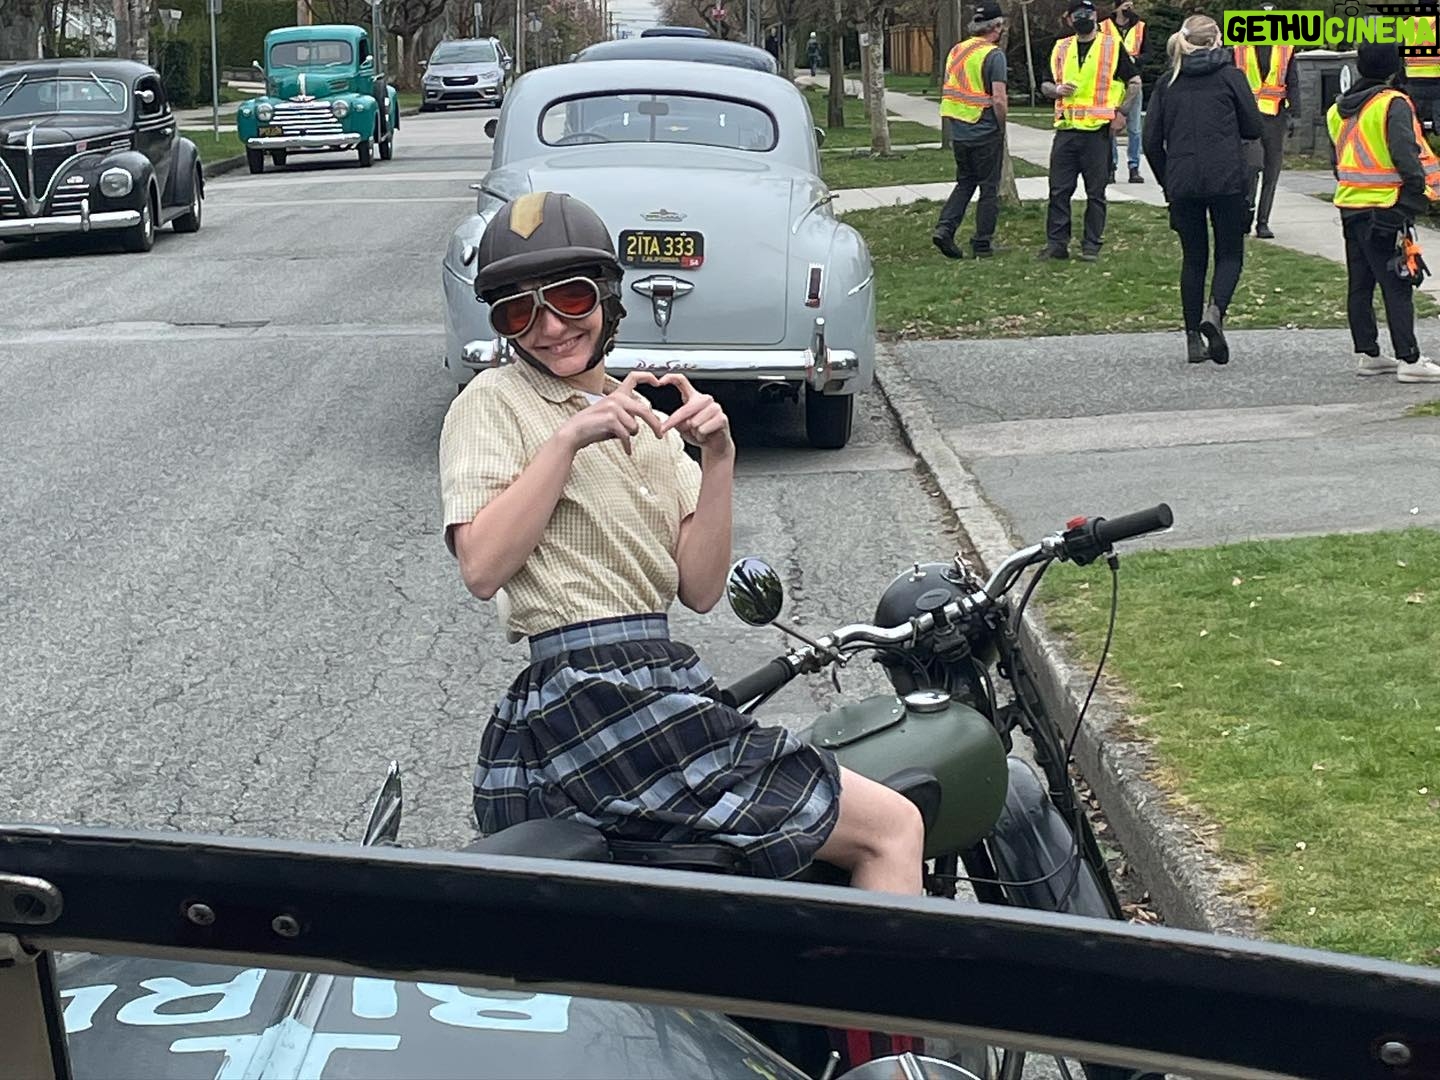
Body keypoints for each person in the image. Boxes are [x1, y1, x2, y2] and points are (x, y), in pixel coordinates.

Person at [438, 191, 926, 893]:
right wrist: (568, 440)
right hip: (586, 691)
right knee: (893, 827)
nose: (549, 327)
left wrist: (720, 456)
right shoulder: (492, 402)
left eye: (571, 299)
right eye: (519, 311)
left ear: (608, 301)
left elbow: (699, 589)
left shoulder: (646, 426)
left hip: (656, 678)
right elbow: (482, 567)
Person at [1144, 16, 1261, 365]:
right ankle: (1215, 311)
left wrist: (1167, 180)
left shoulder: (1168, 83)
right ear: (1214, 41)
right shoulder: (1230, 77)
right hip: (1226, 177)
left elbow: (1151, 141)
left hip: (1183, 180)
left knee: (1193, 258)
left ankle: (1193, 339)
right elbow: (1253, 127)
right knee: (1230, 254)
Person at [1328, 43, 1440, 382]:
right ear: (1394, 68)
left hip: (1351, 205)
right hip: (1387, 207)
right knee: (1398, 283)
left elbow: (1337, 163)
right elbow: (1406, 156)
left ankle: (1369, 354)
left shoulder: (1338, 110)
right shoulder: (1393, 103)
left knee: (1360, 283)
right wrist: (1413, 198)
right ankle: (1410, 359)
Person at [1038, 0, 1142, 262]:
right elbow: (1045, 84)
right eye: (1077, 15)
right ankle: (1057, 244)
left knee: (1096, 193)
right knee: (1059, 191)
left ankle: (1091, 246)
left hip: (1098, 132)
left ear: (1095, 16)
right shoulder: (1061, 47)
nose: (1082, 18)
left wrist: (1122, 113)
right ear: (1069, 19)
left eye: (1087, 13)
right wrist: (1056, 90)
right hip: (1067, 130)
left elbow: (1134, 82)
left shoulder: (1111, 46)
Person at [931, 1, 1010, 260]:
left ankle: (945, 228)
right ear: (996, 26)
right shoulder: (994, 55)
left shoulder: (957, 51)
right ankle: (982, 243)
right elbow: (999, 98)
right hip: (984, 130)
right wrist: (1001, 125)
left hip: (959, 131)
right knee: (989, 188)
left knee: (965, 182)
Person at [1232, 2, 1299, 239]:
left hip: (1276, 117)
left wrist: (1295, 115)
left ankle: (1263, 222)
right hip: (1246, 116)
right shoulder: (1239, 47)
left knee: (1271, 171)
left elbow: (1293, 81)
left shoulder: (1286, 47)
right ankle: (1246, 214)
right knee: (1251, 167)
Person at [1106, 0, 1146, 184]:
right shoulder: (1104, 26)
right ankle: (1111, 166)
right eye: (1126, 5)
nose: (1129, 9)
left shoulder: (1140, 27)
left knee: (1135, 129)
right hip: (1112, 83)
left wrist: (1135, 60)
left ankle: (1134, 167)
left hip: (1133, 81)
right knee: (1111, 128)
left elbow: (1149, 53)